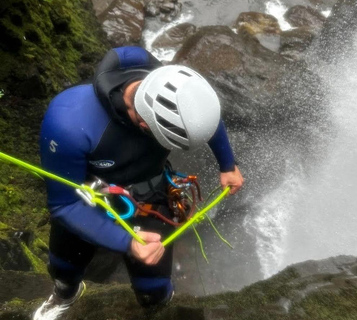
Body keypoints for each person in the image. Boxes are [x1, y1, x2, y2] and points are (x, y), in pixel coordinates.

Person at [33, 46, 244, 319]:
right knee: (64, 268)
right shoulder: (69, 122)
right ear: (145, 126)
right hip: (88, 199)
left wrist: (227, 164)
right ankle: (65, 294)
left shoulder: (174, 86)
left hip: (150, 195)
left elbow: (206, 118)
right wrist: (127, 243)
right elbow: (64, 204)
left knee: (153, 289)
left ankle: (157, 306)